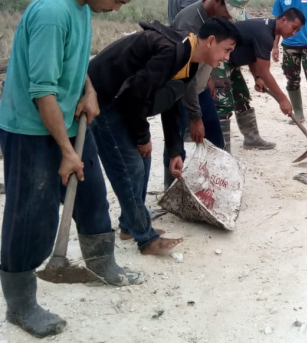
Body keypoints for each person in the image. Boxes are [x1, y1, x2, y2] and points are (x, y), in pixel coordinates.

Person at [0, 0, 146, 338]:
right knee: (30, 215)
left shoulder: (82, 6)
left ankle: (102, 264)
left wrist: (89, 90)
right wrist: (66, 151)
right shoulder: (52, 14)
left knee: (92, 192)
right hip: (30, 129)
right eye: (117, 1)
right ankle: (21, 305)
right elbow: (42, 90)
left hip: (68, 121)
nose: (116, 10)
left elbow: (76, 61)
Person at [88, 17, 241, 256]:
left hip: (125, 103)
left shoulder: (189, 59)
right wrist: (142, 137)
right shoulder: (172, 51)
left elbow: (172, 102)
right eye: (227, 50)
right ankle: (146, 239)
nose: (227, 57)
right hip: (105, 101)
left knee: (144, 159)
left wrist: (174, 151)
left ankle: (129, 225)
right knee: (131, 167)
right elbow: (136, 95)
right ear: (211, 41)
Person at [169, 0, 249, 184]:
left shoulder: (218, 20)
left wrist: (209, 77)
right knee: (176, 141)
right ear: (216, 0)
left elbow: (208, 56)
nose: (229, 18)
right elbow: (185, 73)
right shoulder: (189, 22)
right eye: (227, 13)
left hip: (200, 85)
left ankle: (220, 182)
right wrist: (195, 117)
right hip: (180, 88)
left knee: (214, 132)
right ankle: (173, 185)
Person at [212, 10, 302, 152]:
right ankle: (222, 150)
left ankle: (252, 139)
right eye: (294, 27)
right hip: (218, 61)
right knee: (222, 104)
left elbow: (254, 56)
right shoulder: (265, 34)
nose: (294, 33)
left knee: (241, 96)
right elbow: (265, 72)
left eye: (297, 30)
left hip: (232, 64)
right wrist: (283, 99)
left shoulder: (267, 29)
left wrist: (257, 77)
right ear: (283, 20)